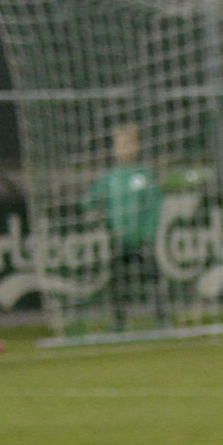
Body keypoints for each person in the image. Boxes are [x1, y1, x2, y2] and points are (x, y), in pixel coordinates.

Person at [85, 123, 168, 329]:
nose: (125, 149)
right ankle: (118, 323)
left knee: (152, 280)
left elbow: (154, 205)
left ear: (137, 147)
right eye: (121, 145)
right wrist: (97, 214)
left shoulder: (144, 175)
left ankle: (161, 320)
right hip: (118, 238)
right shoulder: (109, 178)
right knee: (118, 283)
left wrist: (149, 232)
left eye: (129, 144)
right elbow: (90, 200)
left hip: (142, 239)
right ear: (114, 149)